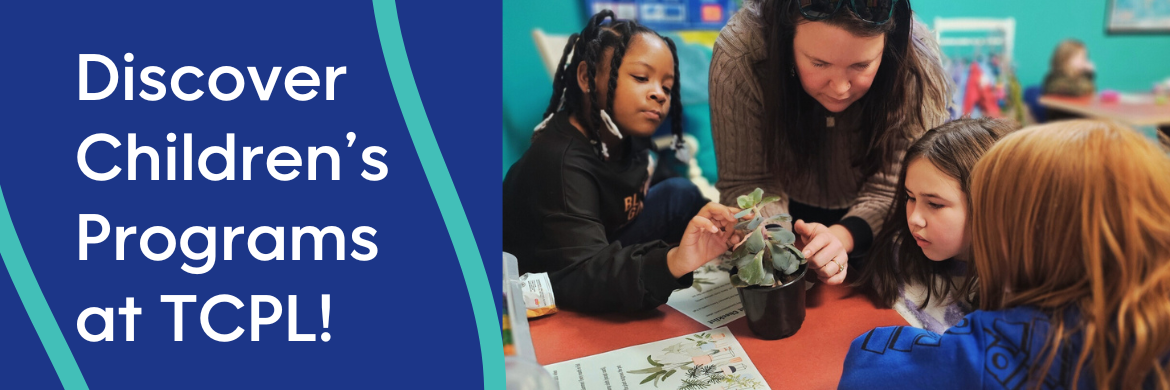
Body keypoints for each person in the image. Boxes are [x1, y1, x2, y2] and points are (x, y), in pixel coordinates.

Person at [840, 120, 1170, 389]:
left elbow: (866, 369)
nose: (915, 217)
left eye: (1001, 210)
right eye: (910, 198)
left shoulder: (1003, 342)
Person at [503, 11, 742, 313]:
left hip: (606, 235)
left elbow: (661, 192)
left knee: (681, 194)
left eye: (667, 87)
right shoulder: (559, 161)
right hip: (554, 274)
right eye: (641, 78)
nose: (659, 94)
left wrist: (719, 230)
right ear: (587, 78)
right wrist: (672, 262)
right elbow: (583, 272)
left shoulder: (627, 134)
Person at [709, 0, 950, 284]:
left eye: (861, 65)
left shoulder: (917, 62)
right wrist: (778, 244)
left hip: (880, 228)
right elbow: (746, 182)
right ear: (786, 38)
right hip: (780, 216)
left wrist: (841, 237)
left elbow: (895, 190)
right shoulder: (741, 54)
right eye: (819, 63)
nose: (840, 88)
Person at [856, 117, 1018, 334]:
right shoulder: (899, 255)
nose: (914, 218)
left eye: (934, 204)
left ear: (990, 205)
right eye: (910, 197)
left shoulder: (1022, 289)